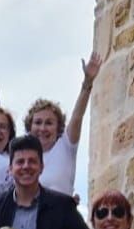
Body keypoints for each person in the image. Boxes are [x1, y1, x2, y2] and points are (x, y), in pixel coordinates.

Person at [24, 53, 101, 195]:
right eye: (38, 122)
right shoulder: (23, 158)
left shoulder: (65, 146)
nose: (42, 128)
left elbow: (77, 117)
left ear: (58, 128)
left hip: (60, 214)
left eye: (49, 123)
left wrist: (87, 82)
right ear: (30, 127)